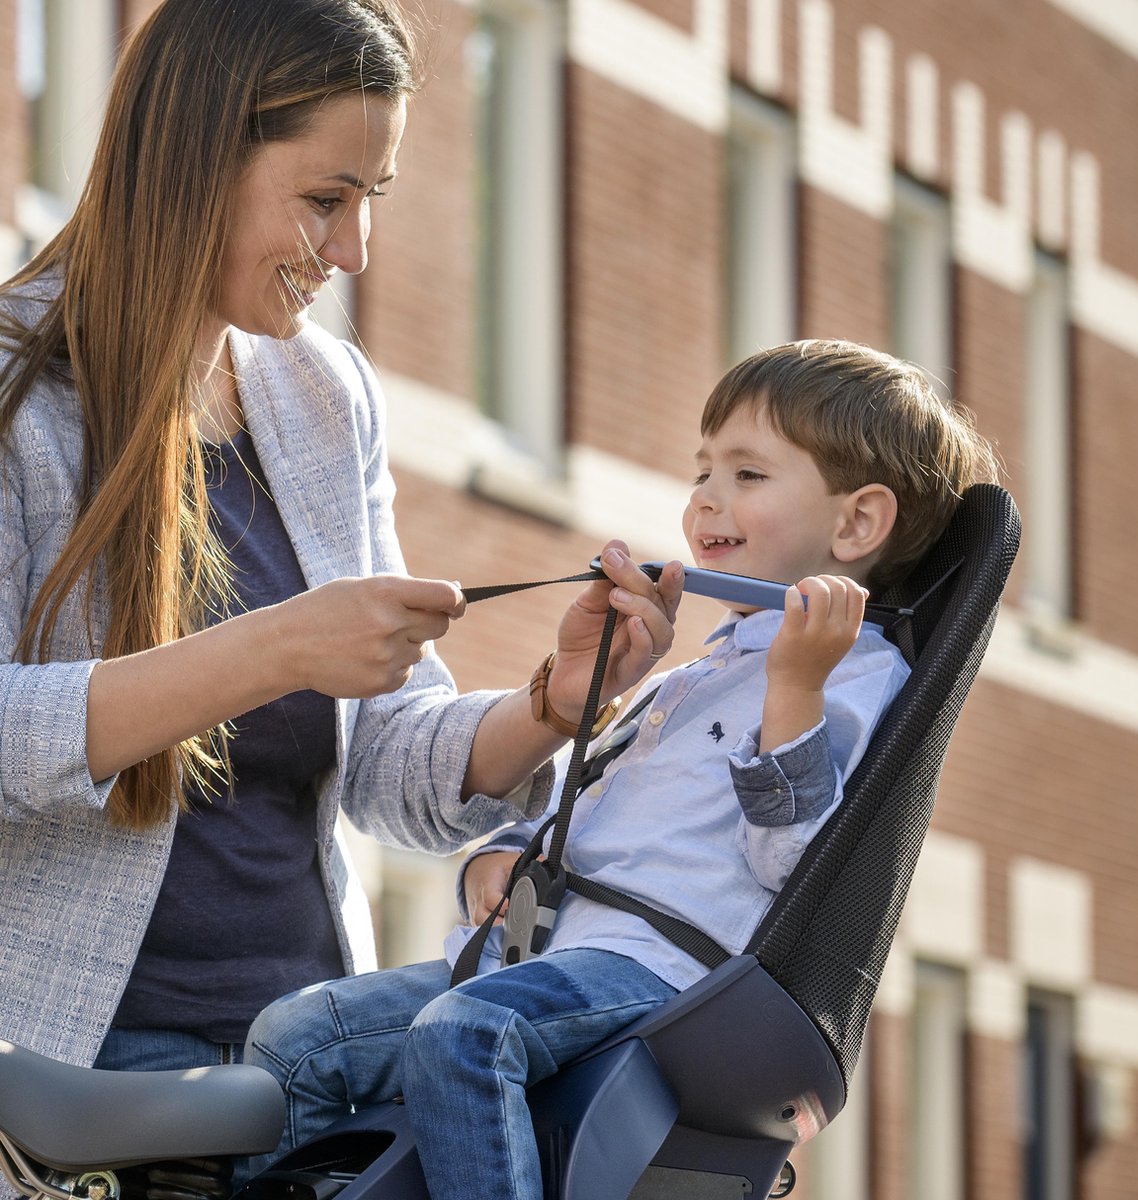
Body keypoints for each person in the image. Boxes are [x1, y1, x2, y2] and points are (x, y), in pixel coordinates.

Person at [0, 0, 681, 1074]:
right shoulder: (18, 395)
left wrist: (551, 705)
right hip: (72, 1072)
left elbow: (384, 762)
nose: (355, 252)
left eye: (373, 201)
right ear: (194, 158)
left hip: (307, 1062)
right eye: (326, 199)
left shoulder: (326, 394)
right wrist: (276, 649)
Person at [243, 339, 1001, 1199]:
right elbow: (600, 795)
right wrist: (509, 849)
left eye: (748, 474)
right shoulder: (698, 671)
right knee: (295, 1039)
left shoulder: (852, 675)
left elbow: (795, 864)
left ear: (857, 523)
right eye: (703, 471)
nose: (706, 497)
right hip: (543, 956)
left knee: (466, 1035)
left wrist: (795, 687)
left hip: (661, 974)